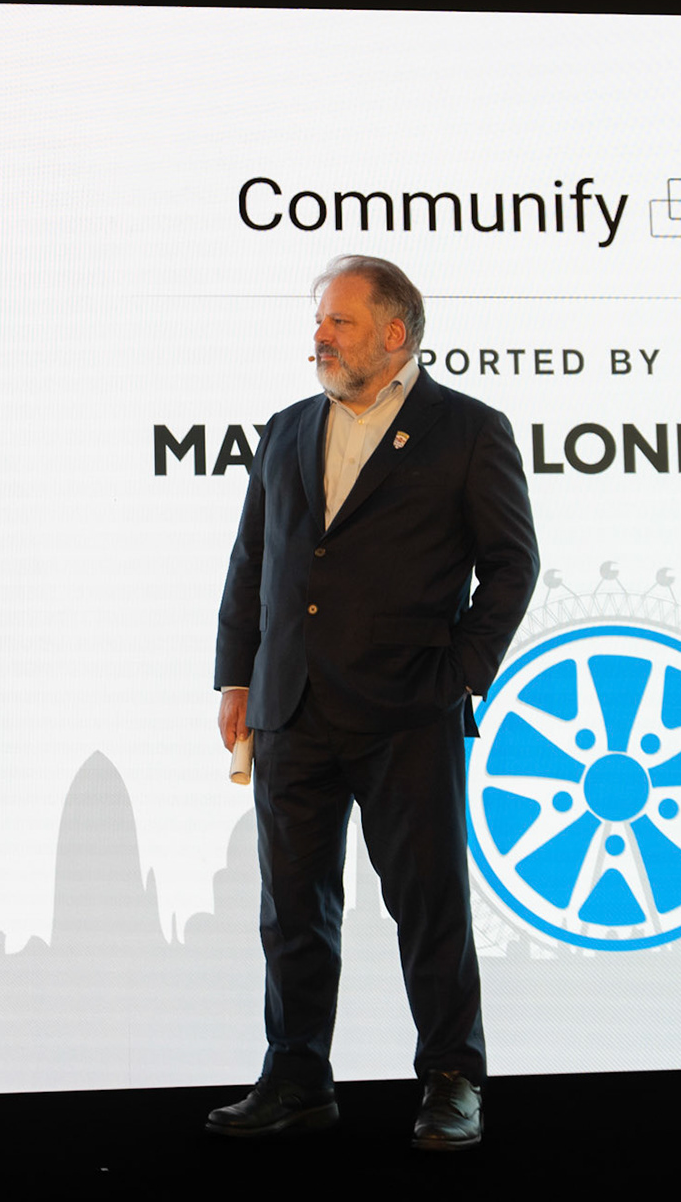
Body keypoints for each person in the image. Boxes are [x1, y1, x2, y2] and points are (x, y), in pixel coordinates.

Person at [209, 255, 538, 1150]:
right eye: (320, 321)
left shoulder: (468, 430)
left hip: (408, 712)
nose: (319, 335)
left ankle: (453, 1078)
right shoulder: (286, 429)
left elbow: (512, 566)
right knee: (293, 909)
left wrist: (460, 671)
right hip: (291, 707)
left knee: (430, 906)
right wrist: (237, 675)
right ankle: (296, 1078)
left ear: (395, 334)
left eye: (339, 322)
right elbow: (252, 560)